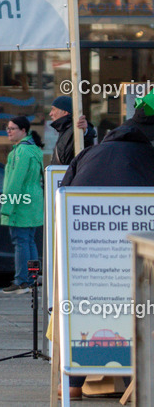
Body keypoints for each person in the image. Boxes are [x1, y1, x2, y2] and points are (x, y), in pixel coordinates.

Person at [60, 91, 154, 398]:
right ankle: (134, 384)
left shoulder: (90, 153)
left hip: (86, 251)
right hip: (133, 251)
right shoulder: (148, 157)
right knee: (137, 305)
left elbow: (64, 196)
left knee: (87, 309)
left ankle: (72, 385)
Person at [0, 116, 44, 295]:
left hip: (21, 202)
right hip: (33, 201)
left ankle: (21, 280)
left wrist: (7, 207)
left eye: (12, 128)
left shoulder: (20, 152)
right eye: (7, 128)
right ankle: (32, 279)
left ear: (23, 130)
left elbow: (15, 181)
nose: (9, 131)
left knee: (20, 241)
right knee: (29, 241)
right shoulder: (34, 150)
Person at [48, 95, 96, 165]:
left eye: (53, 109)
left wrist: (85, 130)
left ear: (65, 112)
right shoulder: (64, 130)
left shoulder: (76, 128)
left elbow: (87, 139)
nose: (50, 114)